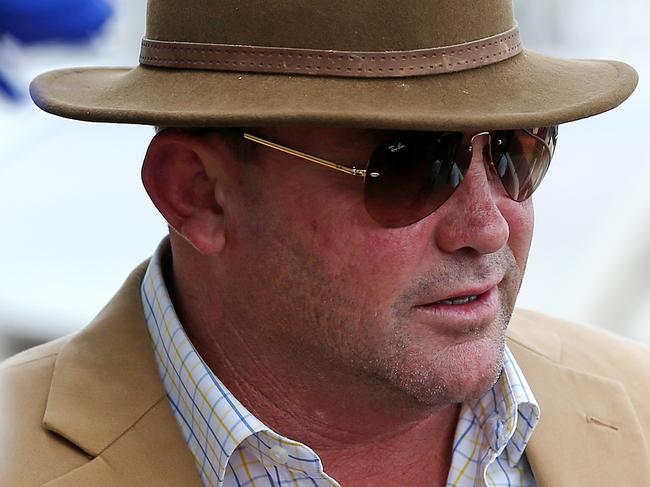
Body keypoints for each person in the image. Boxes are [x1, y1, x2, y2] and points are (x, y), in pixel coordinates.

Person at [1, 0, 648, 486]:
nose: (487, 226)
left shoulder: (637, 409)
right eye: (410, 165)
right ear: (198, 192)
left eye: (516, 150)